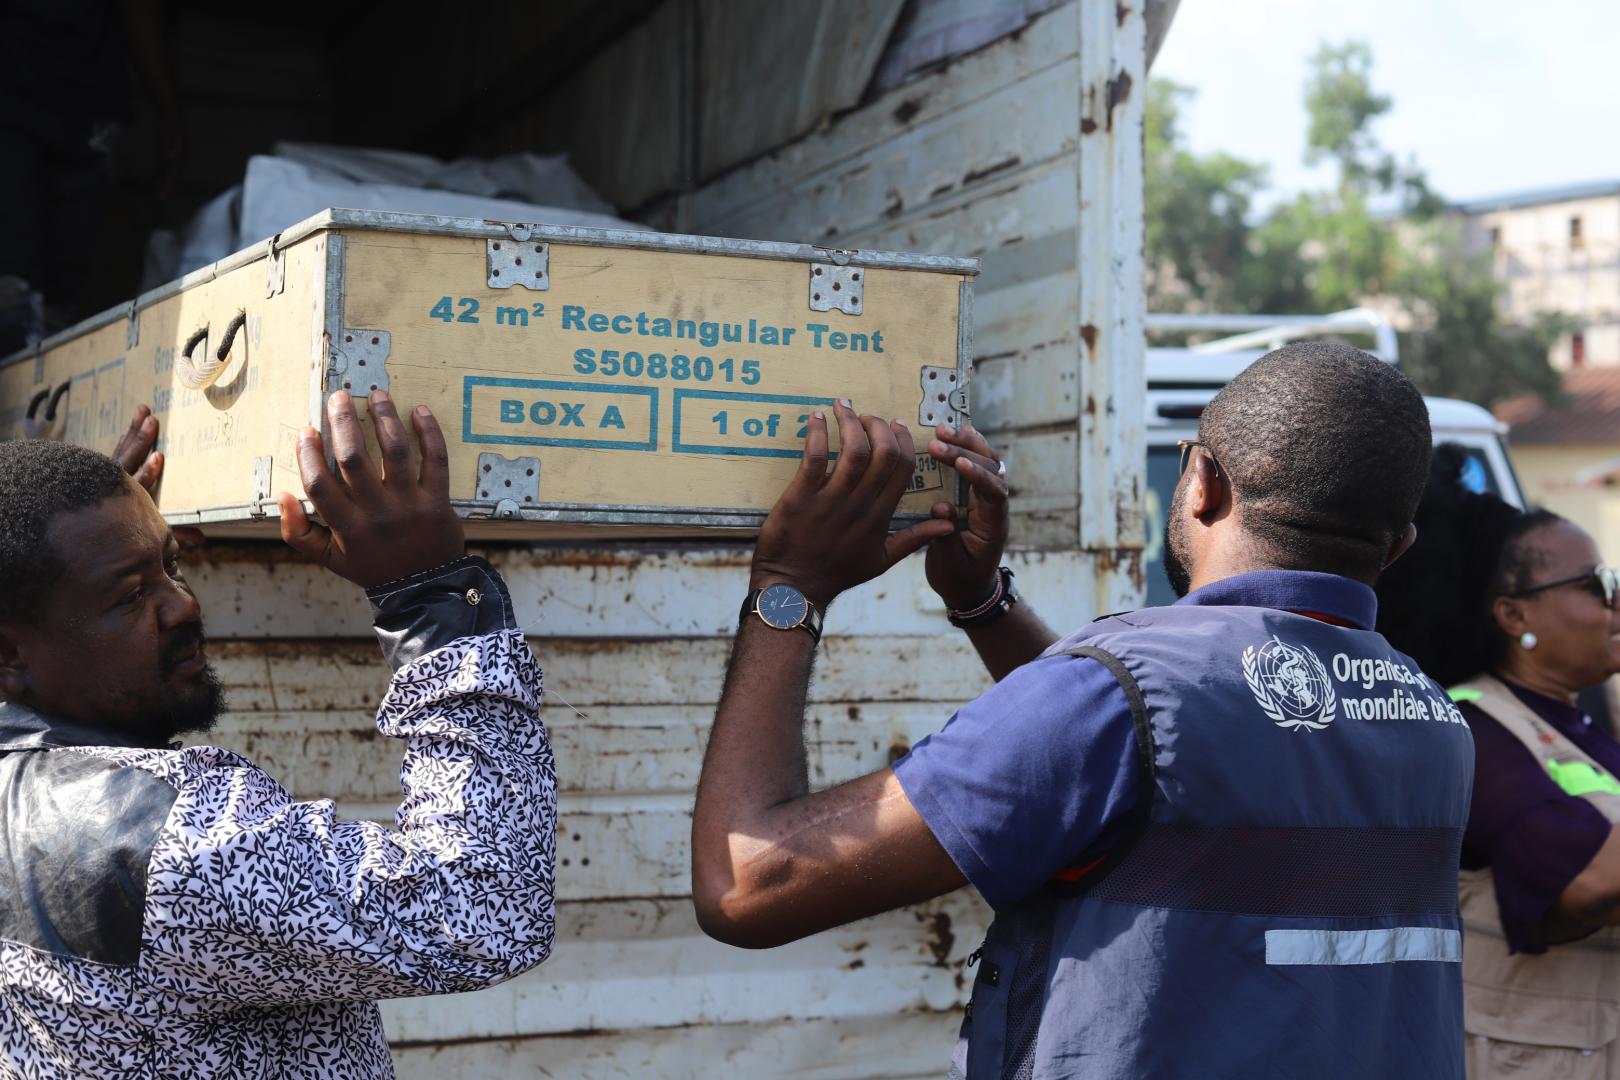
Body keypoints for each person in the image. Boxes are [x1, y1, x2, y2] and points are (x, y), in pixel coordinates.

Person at [691, 341, 1476, 1079]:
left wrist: (789, 584)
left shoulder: (1115, 700)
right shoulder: (1433, 718)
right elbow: (1137, 755)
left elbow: (746, 884)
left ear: (1201, 481)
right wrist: (982, 602)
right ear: (1398, 544)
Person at [0, 390, 556, 1077]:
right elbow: (483, 914)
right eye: (131, 594)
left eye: (171, 565)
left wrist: (82, 549)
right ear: (10, 656)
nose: (184, 604)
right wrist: (431, 595)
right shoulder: (173, 844)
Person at [1376, 450, 1620, 1078]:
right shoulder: (1470, 730)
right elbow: (1587, 885)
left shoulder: (1582, 725)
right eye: (1598, 586)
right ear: (1515, 615)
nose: (1614, 604)